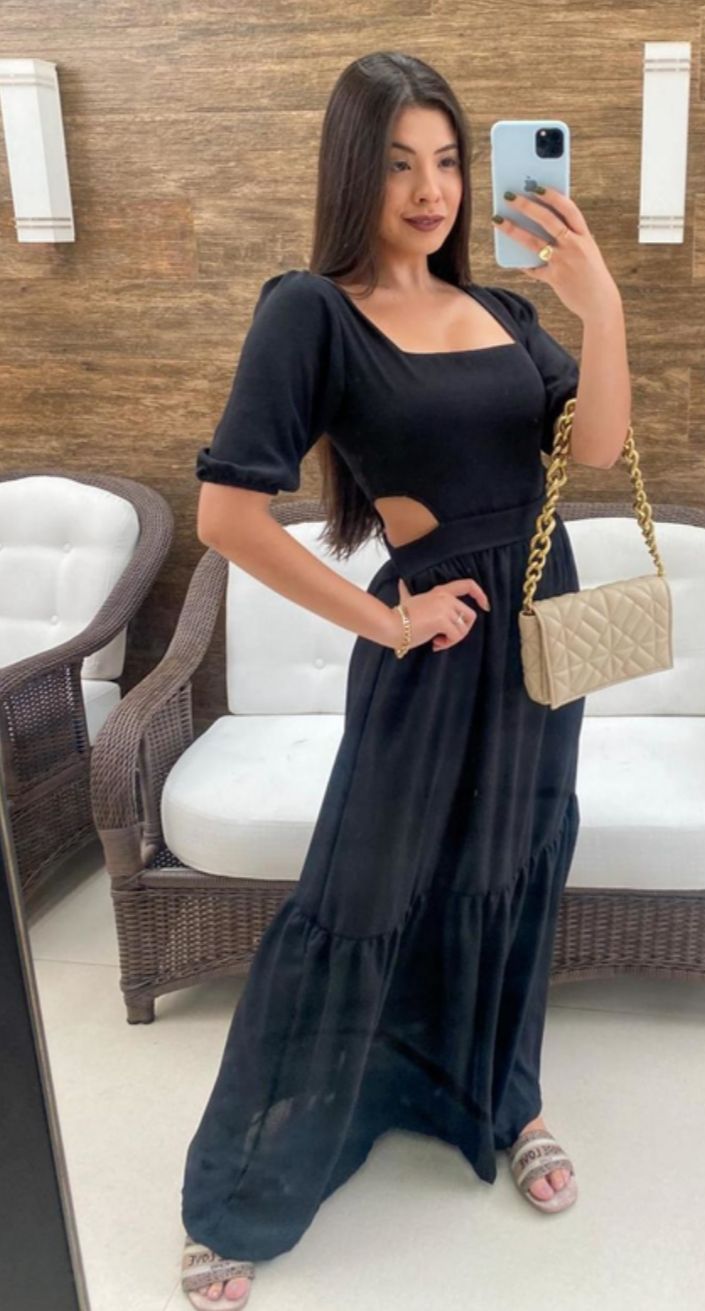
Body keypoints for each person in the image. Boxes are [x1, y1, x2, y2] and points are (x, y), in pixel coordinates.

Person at [179, 49, 629, 1311]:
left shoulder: (507, 314)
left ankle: (503, 1099)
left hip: (542, 627)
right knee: (362, 888)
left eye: (446, 162)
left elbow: (595, 449)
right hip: (431, 646)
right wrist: (385, 622)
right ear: (351, 172)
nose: (429, 191)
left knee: (513, 863)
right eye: (397, 165)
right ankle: (241, 1195)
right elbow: (226, 516)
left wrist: (599, 305)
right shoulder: (309, 313)